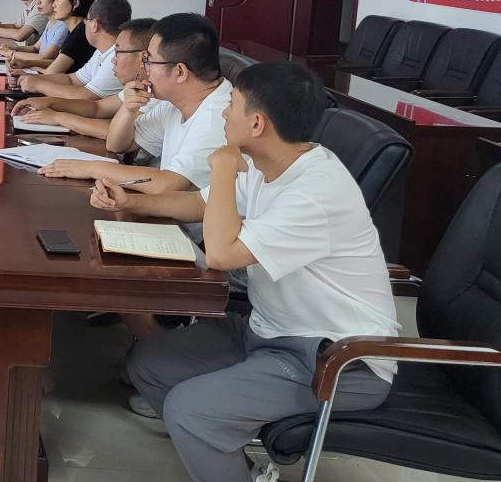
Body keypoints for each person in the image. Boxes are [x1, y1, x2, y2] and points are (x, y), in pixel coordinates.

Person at [90, 61, 398, 482]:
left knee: (190, 411)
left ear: (256, 123)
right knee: (148, 364)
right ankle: (227, 449)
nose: (223, 112)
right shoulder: (266, 161)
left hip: (336, 359)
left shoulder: (315, 190)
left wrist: (221, 166)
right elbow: (199, 204)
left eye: (231, 104)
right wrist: (129, 202)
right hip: (268, 331)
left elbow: (221, 254)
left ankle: (212, 434)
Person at [37, 13, 231, 194]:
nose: (145, 69)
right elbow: (118, 144)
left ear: (179, 72)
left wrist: (91, 169)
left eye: (149, 61)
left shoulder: (218, 117)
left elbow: (169, 184)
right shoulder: (174, 102)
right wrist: (128, 109)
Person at [12, 18, 155, 139]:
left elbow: (112, 132)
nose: (113, 60)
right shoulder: (140, 86)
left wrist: (58, 117)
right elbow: (97, 108)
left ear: (143, 57)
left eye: (118, 52)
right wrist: (50, 102)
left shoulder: (156, 93)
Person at [17, 0, 131, 101]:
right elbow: (72, 79)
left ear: (95, 25)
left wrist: (39, 85)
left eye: (87, 20)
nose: (84, 23)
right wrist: (29, 77)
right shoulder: (100, 52)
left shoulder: (115, 58)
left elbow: (86, 96)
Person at [0, 0, 64, 67]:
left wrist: (11, 53)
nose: (38, 2)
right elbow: (35, 48)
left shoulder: (62, 26)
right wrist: (12, 48)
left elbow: (45, 57)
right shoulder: (50, 22)